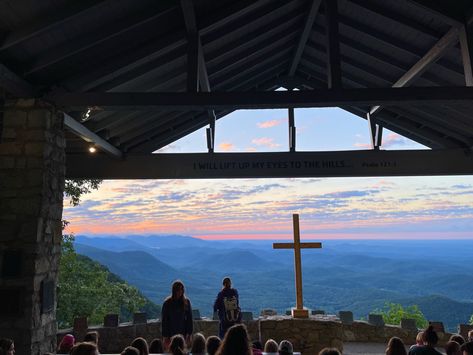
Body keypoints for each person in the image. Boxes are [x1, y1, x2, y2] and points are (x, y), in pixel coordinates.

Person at [161, 280, 193, 350]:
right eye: (178, 289)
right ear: (174, 290)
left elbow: (189, 319)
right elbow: (164, 321)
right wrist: (165, 336)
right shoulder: (167, 303)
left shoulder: (186, 302)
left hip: (183, 333)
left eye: (182, 289)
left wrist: (189, 334)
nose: (180, 291)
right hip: (171, 333)